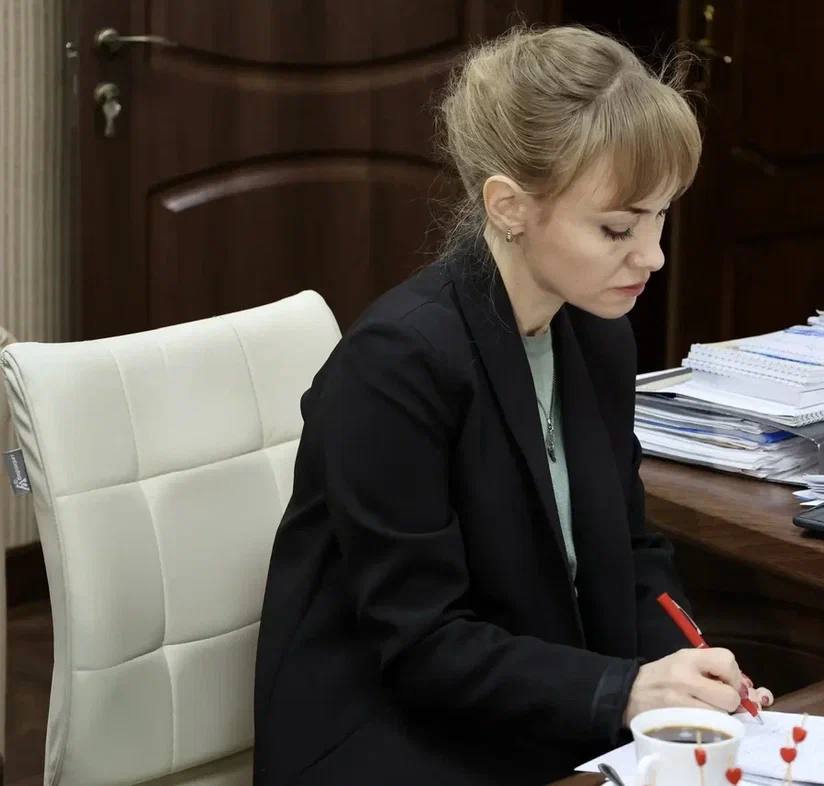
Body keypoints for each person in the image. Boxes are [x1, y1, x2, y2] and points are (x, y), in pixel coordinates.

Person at [253, 25, 772, 786]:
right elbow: (423, 643)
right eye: (618, 228)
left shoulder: (594, 335)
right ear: (509, 207)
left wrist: (684, 668)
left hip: (528, 710)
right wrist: (622, 691)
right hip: (390, 734)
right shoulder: (395, 365)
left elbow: (630, 550)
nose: (653, 256)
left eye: (661, 217)